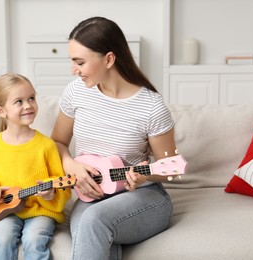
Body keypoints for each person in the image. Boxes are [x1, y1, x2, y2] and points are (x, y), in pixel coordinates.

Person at [50, 17, 177, 260]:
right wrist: (72, 166)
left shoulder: (151, 106)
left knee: (92, 222)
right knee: (94, 228)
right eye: (72, 62)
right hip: (93, 197)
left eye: (80, 62)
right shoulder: (76, 92)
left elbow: (171, 167)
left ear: (108, 59)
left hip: (144, 197)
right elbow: (56, 142)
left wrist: (145, 174)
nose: (73, 70)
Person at [0, 73, 72, 260]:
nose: (28, 105)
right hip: (5, 212)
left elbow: (63, 186)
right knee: (2, 238)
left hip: (40, 211)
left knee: (34, 238)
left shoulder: (47, 145)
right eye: (19, 101)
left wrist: (51, 193)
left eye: (31, 98)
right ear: (1, 110)